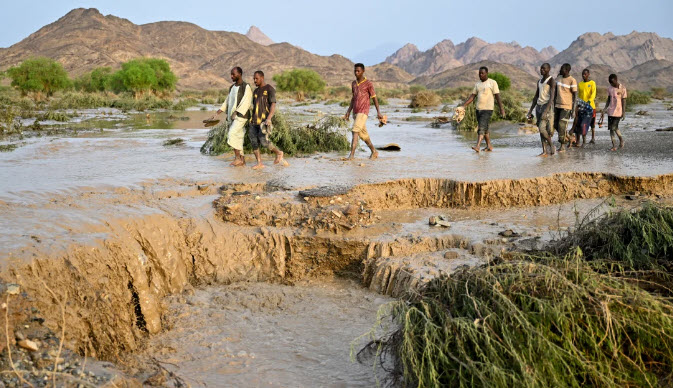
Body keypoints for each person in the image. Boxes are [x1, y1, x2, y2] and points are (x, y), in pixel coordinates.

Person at [211, 67, 253, 167]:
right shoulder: (232, 87)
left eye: (233, 74)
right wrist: (218, 112)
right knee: (238, 137)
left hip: (241, 116)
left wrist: (237, 112)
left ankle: (237, 158)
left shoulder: (246, 87)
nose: (231, 76)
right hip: (233, 117)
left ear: (239, 74)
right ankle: (242, 160)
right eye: (231, 74)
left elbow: (246, 101)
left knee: (232, 134)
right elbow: (227, 101)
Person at [343, 63, 383, 160]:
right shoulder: (353, 84)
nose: (356, 73)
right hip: (355, 112)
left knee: (355, 131)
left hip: (363, 111)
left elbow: (374, 98)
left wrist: (378, 112)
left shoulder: (368, 84)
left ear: (363, 71)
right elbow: (353, 98)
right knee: (363, 134)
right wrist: (348, 112)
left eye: (358, 71)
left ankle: (351, 155)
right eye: (355, 71)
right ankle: (374, 151)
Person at [249, 70, 288, 169]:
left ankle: (279, 153)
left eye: (256, 78)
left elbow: (273, 105)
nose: (254, 80)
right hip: (253, 122)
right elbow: (254, 106)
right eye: (254, 78)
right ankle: (259, 163)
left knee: (263, 141)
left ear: (262, 78)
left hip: (264, 121)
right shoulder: (256, 91)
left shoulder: (269, 89)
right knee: (254, 142)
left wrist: (269, 118)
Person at [460, 66, 505, 153]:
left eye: (482, 73)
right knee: (485, 128)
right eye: (479, 73)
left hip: (487, 109)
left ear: (486, 73)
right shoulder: (477, 84)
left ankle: (478, 146)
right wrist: (463, 105)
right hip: (478, 109)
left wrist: (501, 109)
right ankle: (489, 146)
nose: (480, 75)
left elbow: (497, 96)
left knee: (481, 128)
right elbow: (472, 97)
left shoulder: (492, 83)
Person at [527, 63, 556, 156]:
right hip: (538, 106)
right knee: (541, 131)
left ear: (549, 69)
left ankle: (551, 144)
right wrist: (530, 110)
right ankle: (544, 151)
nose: (542, 70)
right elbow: (536, 96)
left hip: (546, 106)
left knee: (542, 128)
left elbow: (552, 97)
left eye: (544, 68)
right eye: (541, 68)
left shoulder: (551, 80)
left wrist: (546, 110)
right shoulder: (539, 81)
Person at [553, 63, 577, 152]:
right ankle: (569, 138)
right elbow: (554, 91)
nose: (561, 70)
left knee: (562, 126)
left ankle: (562, 145)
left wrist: (573, 110)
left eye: (562, 68)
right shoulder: (558, 78)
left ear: (567, 70)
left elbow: (575, 96)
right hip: (557, 105)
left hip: (566, 107)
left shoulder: (572, 80)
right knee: (555, 125)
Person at [601, 74, 627, 151]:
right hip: (610, 111)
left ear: (616, 80)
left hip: (618, 112)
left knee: (614, 127)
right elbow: (608, 99)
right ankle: (614, 145)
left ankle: (621, 140)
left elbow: (624, 101)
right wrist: (605, 108)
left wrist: (624, 112)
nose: (612, 84)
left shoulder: (622, 88)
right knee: (611, 129)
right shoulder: (609, 88)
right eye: (610, 83)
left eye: (613, 82)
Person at [577, 68, 597, 144]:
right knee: (582, 123)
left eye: (585, 74)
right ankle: (584, 140)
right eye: (582, 74)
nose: (583, 75)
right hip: (582, 107)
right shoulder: (580, 84)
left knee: (592, 123)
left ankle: (593, 138)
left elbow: (593, 93)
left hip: (591, 106)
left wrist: (589, 101)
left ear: (588, 74)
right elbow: (579, 95)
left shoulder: (592, 83)